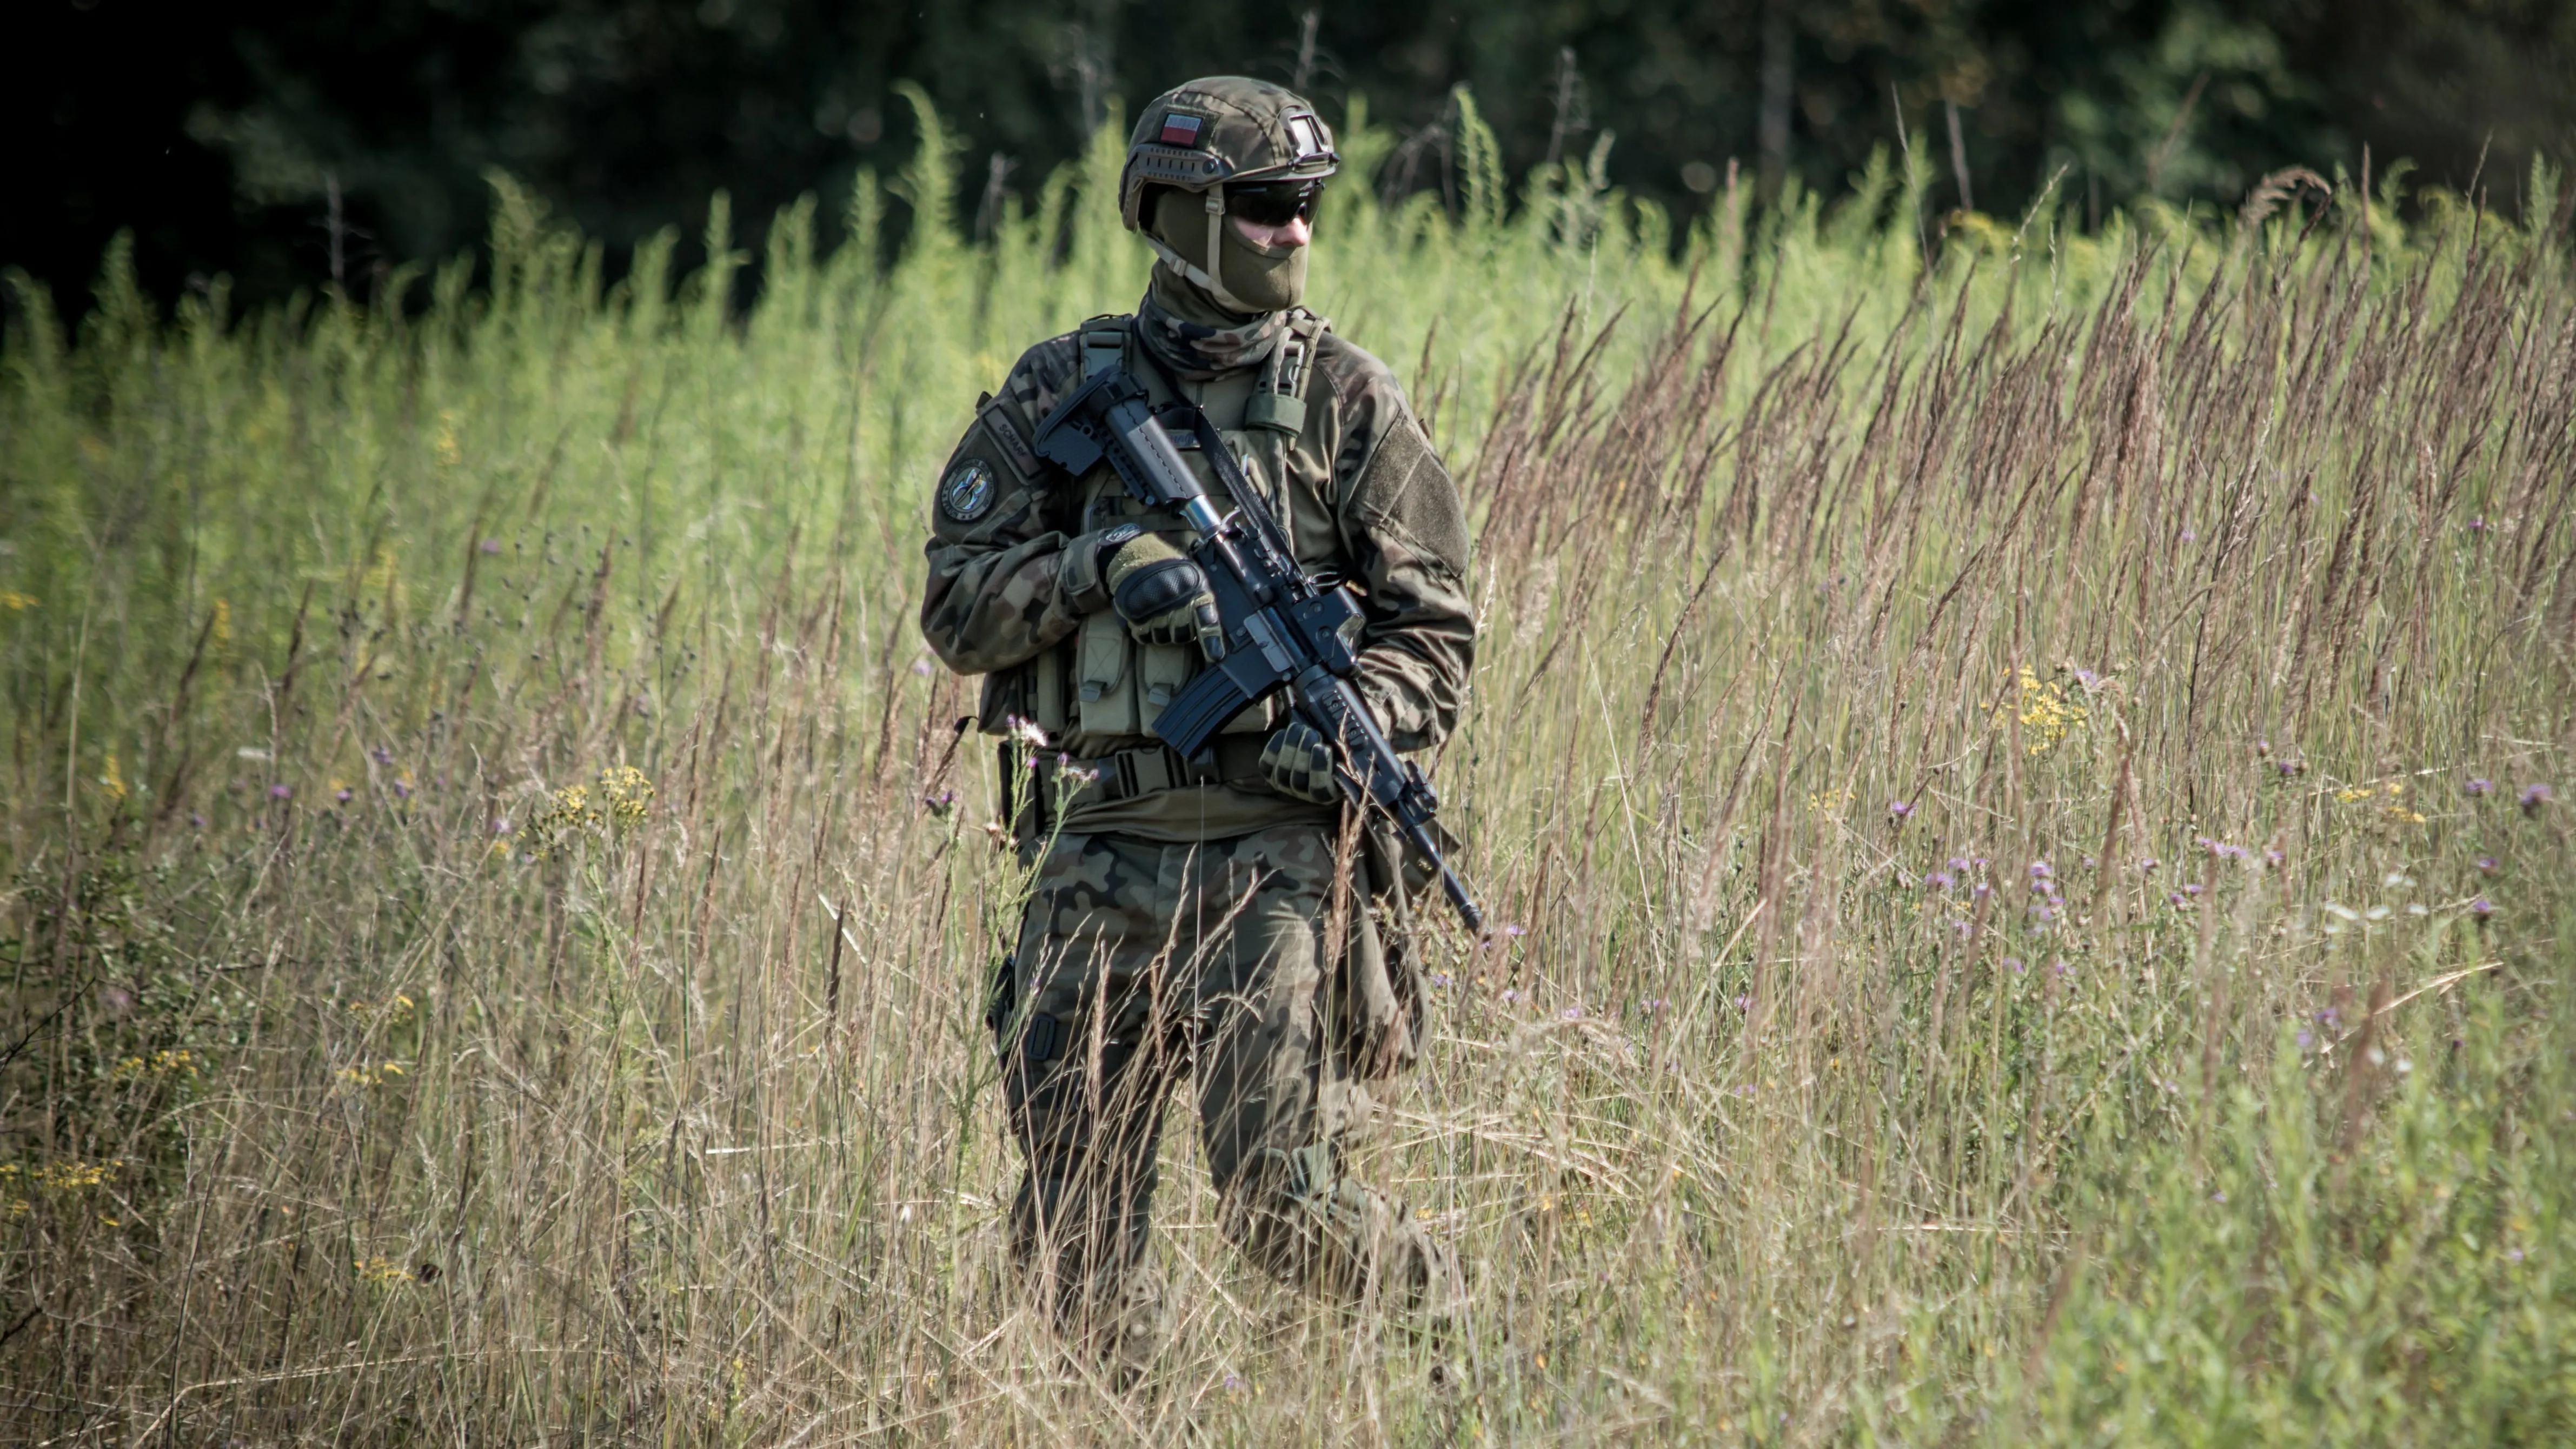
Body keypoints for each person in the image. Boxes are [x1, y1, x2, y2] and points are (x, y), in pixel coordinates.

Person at [918, 76, 1477, 1382]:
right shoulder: (1068, 389)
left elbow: (1435, 634)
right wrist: (1096, 567)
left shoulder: (1346, 397)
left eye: (1308, 207)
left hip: (1272, 864)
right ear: (1177, 212)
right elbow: (954, 605)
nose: (1298, 232)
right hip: (1099, 842)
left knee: (1283, 1201)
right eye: (1268, 206)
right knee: (1071, 1226)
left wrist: (1349, 731)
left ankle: (1461, 1341)